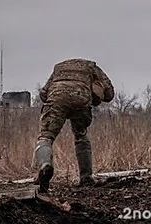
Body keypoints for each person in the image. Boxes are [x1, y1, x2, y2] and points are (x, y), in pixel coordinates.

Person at [33, 58, 114, 193]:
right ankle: (86, 177)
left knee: (46, 137)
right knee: (81, 135)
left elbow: (43, 94)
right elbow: (109, 93)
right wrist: (96, 95)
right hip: (81, 98)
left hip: (57, 97)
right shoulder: (91, 67)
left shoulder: (58, 68)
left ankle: (45, 165)